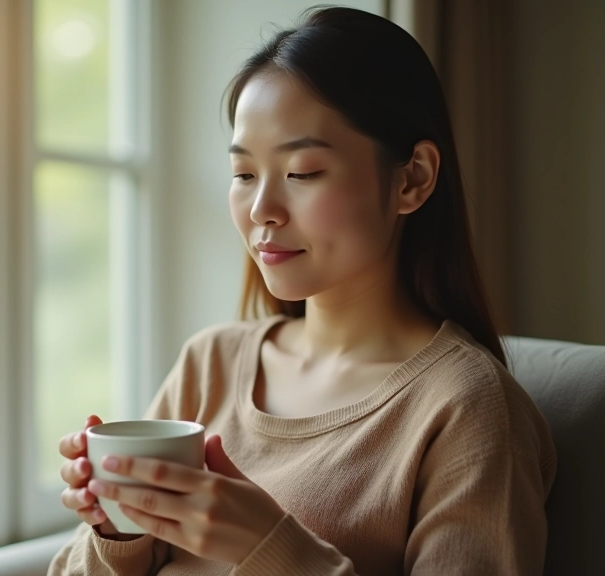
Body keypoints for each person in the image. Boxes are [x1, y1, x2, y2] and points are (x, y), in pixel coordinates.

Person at [48, 6, 556, 575]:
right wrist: (119, 529)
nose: (261, 209)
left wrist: (268, 544)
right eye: (243, 174)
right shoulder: (211, 362)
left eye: (303, 172)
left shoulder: (466, 408)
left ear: (412, 178)